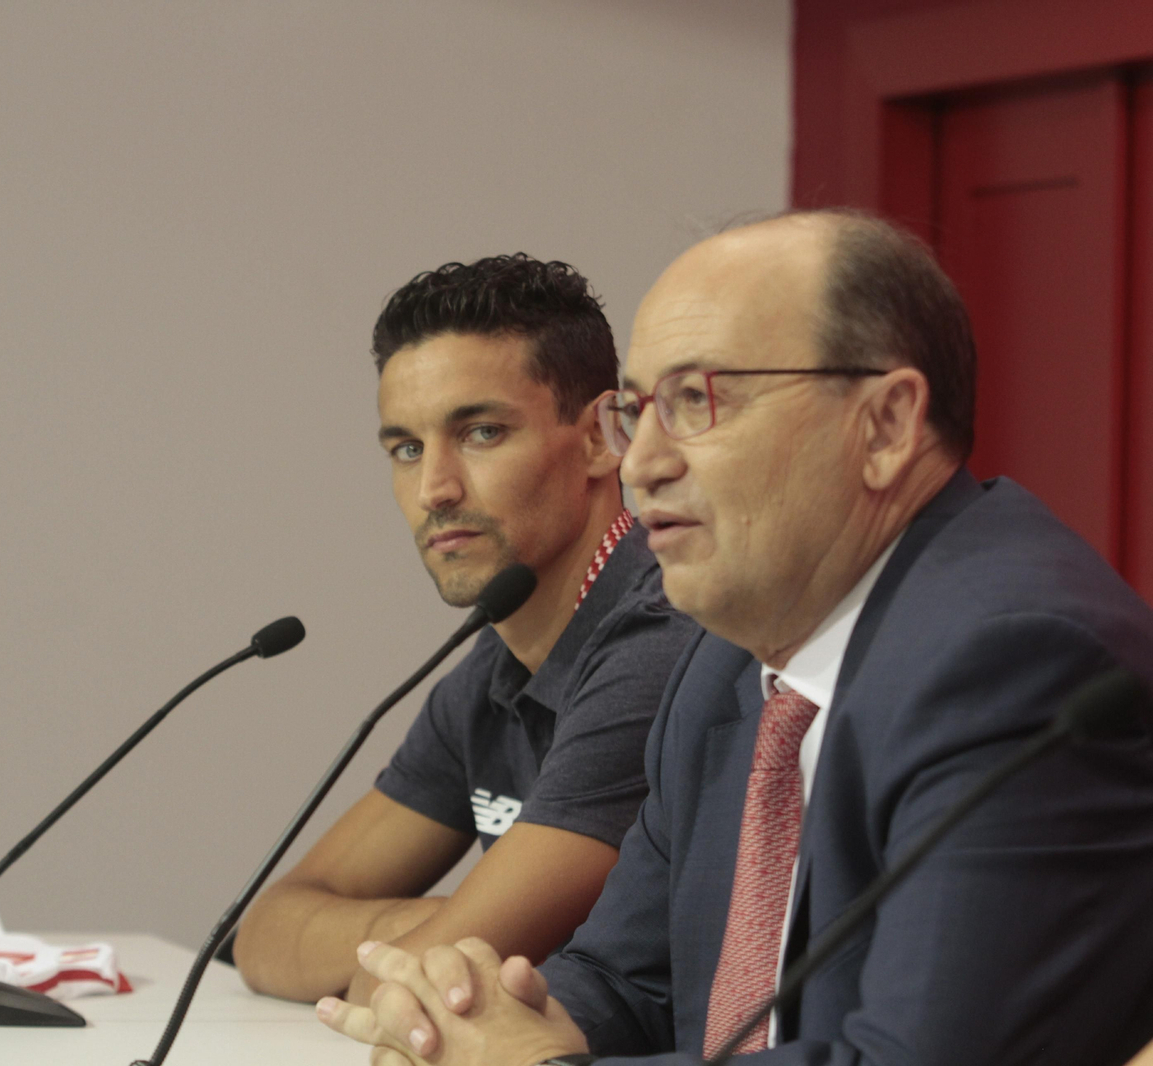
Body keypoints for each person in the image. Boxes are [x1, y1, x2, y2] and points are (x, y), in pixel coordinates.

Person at [315, 210, 1153, 1064]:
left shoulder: (1015, 663)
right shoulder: (725, 661)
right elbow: (626, 980)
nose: (641, 463)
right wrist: (470, 1022)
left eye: (695, 401)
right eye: (639, 410)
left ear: (886, 425)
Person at [232, 254, 698, 1005]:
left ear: (600, 439)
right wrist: (434, 925)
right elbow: (264, 935)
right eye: (407, 449)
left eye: (481, 432)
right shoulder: (492, 669)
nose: (434, 489)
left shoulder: (661, 639)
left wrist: (418, 946)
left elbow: (420, 983)